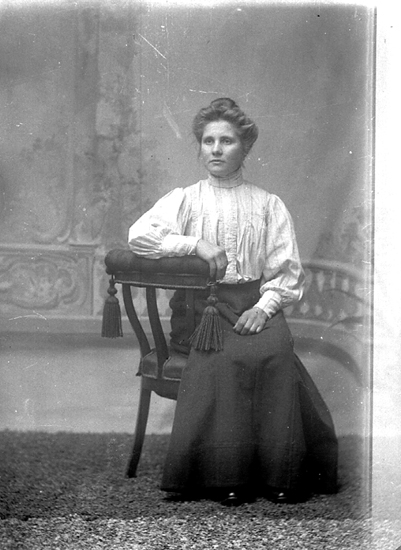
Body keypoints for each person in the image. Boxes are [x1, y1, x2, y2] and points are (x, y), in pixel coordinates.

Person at [128, 98, 338, 505]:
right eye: (208, 141)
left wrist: (263, 308)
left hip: (255, 302)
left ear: (246, 147)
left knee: (277, 351)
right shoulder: (185, 199)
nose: (216, 150)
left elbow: (286, 271)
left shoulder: (267, 204)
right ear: (200, 147)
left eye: (226, 141)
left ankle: (281, 473)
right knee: (226, 356)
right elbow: (139, 237)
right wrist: (194, 244)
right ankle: (227, 475)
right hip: (202, 309)